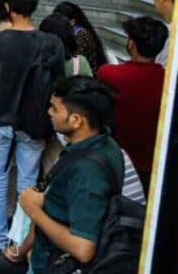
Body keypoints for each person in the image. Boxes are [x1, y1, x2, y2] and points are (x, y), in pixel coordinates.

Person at [0, 0, 65, 254]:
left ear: (7, 6)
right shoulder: (51, 43)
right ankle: (19, 241)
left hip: (1, 118)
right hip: (36, 121)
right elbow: (58, 85)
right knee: (27, 182)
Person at [18, 77, 124, 274]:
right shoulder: (104, 143)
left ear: (76, 120)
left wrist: (33, 210)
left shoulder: (88, 172)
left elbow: (83, 249)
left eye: (55, 108)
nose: (49, 113)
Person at [97, 16, 168, 188]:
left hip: (116, 160)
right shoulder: (166, 83)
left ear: (131, 44)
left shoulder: (109, 74)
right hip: (153, 165)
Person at [52, 1, 109, 73]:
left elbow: (73, 60)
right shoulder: (62, 30)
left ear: (72, 22)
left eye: (58, 19)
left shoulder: (81, 35)